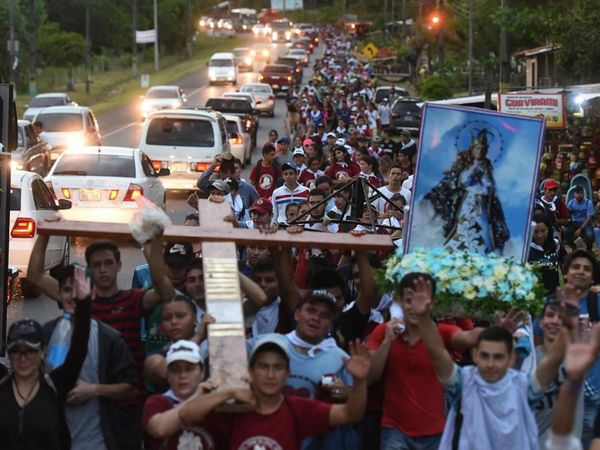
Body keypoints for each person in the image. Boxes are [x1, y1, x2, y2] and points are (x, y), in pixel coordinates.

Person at [178, 334, 371, 450]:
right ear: (250, 372)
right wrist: (229, 394)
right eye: (263, 366)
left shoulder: (297, 409)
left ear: (287, 374)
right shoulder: (235, 408)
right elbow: (185, 414)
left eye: (277, 367)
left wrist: (360, 381)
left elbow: (350, 414)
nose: (270, 375)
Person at [43, 265, 139, 450]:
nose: (73, 296)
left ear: (92, 293)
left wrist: (94, 390)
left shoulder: (109, 339)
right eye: (67, 290)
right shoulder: (46, 334)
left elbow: (131, 389)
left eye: (79, 290)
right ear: (58, 294)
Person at [0, 266, 91, 450]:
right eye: (17, 351)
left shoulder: (55, 385)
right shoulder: (2, 387)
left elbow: (78, 351)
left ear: (42, 352)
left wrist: (84, 304)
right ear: (8, 354)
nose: (23, 358)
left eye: (30, 351)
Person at [425, 129, 510, 254]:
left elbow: (489, 185)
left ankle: (483, 250)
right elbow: (462, 181)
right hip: (468, 201)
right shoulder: (467, 165)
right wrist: (473, 172)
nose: (480, 151)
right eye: (477, 148)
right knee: (465, 225)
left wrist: (485, 181)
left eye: (482, 149)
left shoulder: (487, 166)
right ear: (472, 150)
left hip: (483, 203)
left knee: (484, 226)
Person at [143, 340, 216, 450]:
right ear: (168, 375)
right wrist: (196, 397)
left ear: (202, 372)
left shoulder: (213, 405)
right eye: (175, 370)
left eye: (189, 369)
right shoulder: (157, 402)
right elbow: (159, 429)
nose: (182, 375)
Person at [528, 215, 566, 295]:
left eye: (543, 231)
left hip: (554, 295)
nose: (540, 235)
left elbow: (566, 267)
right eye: (536, 231)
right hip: (534, 297)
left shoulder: (556, 245)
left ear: (549, 229)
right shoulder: (526, 249)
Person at [565, 185, 595, 250]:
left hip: (585, 222)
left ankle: (589, 249)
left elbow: (588, 218)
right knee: (566, 232)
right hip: (574, 222)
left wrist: (580, 229)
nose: (579, 195)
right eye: (577, 193)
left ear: (583, 194)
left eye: (581, 193)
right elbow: (567, 214)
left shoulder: (588, 203)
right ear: (574, 194)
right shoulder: (571, 202)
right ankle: (573, 246)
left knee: (590, 235)